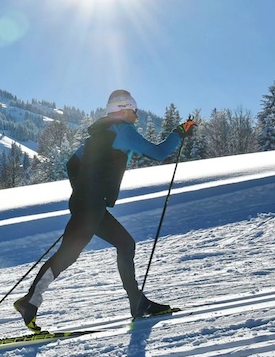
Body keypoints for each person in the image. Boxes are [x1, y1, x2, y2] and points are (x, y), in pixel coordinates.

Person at [14, 90, 197, 332]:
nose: (137, 114)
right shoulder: (122, 130)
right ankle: (29, 302)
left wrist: (83, 192)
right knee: (68, 255)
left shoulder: (99, 134)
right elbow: (159, 152)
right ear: (123, 110)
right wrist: (179, 132)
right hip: (90, 205)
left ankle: (137, 302)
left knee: (125, 244)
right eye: (134, 110)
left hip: (90, 204)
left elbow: (72, 163)